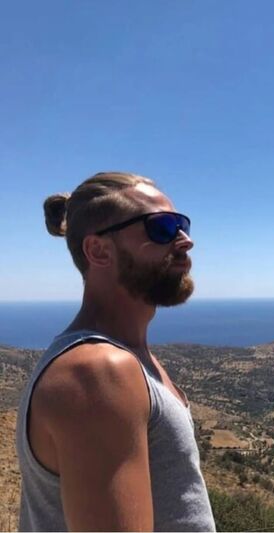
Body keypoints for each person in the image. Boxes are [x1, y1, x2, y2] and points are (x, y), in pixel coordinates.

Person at [16, 171, 216, 532]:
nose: (186, 241)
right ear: (98, 250)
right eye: (162, 227)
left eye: (182, 225)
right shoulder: (97, 371)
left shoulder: (131, 358)